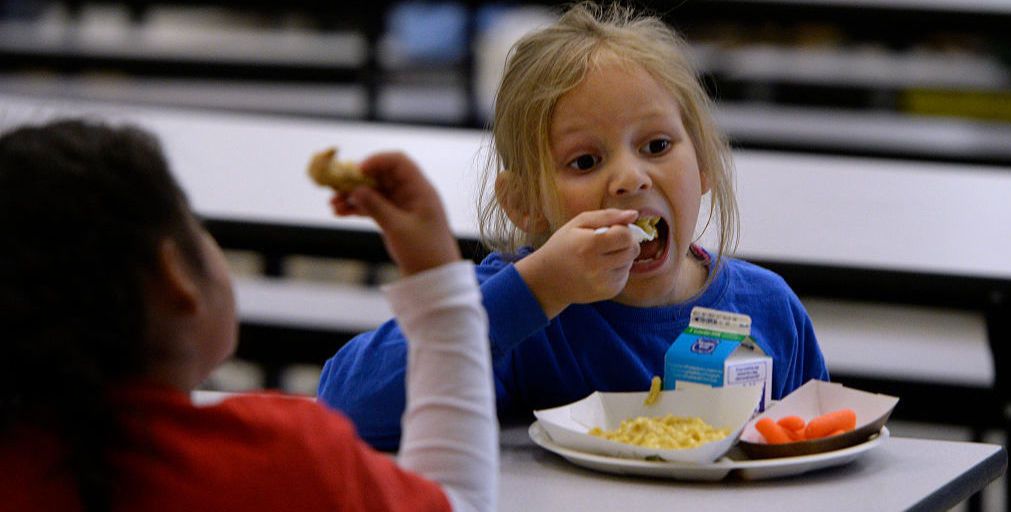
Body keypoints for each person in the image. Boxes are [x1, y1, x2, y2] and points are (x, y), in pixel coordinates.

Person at [319, 1, 829, 451]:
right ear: (525, 204)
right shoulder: (524, 310)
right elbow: (346, 406)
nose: (630, 178)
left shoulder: (769, 311)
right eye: (585, 162)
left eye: (657, 146)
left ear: (704, 168)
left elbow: (827, 456)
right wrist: (537, 289)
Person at [0, 119, 497, 512]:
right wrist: (436, 275)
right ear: (176, 276)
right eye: (196, 226)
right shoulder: (281, 463)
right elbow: (458, 503)